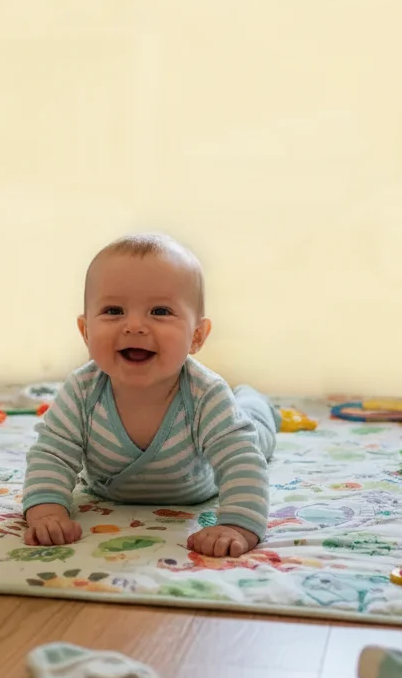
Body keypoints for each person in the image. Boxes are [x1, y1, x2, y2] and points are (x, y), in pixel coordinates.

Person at [21, 232, 279, 558]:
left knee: (255, 434)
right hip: (108, 488)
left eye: (159, 311)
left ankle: (258, 404)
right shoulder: (81, 391)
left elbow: (241, 460)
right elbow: (52, 455)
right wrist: (47, 512)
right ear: (86, 331)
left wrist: (238, 525)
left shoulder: (206, 394)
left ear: (197, 336)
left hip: (200, 482)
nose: (134, 326)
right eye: (114, 311)